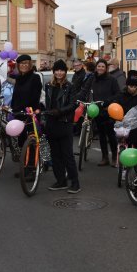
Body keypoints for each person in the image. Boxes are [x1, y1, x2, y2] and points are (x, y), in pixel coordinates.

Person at [44, 60, 80, 194]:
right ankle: (61, 181)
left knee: (67, 155)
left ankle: (75, 182)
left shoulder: (70, 86)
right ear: (54, 72)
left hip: (64, 123)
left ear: (65, 72)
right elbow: (47, 103)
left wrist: (60, 111)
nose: (59, 73)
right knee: (55, 155)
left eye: (62, 70)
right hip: (51, 123)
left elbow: (72, 104)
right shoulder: (48, 86)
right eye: (57, 70)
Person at [90, 59, 121, 166]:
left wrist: (107, 102)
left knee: (111, 135)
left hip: (109, 110)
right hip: (97, 110)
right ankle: (104, 157)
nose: (100, 68)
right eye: (99, 66)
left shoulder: (111, 80)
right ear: (96, 67)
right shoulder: (93, 79)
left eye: (103, 66)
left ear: (106, 68)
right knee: (101, 135)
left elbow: (118, 94)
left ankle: (114, 157)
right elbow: (87, 91)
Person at [113, 70, 137, 148]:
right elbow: (117, 107)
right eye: (131, 86)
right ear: (127, 85)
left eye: (135, 87)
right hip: (123, 124)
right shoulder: (121, 95)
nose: (133, 89)